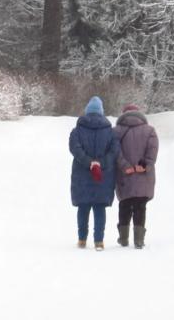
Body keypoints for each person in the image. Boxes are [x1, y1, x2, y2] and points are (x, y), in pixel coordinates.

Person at [69, 96, 119, 250]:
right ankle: (99, 241)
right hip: (102, 176)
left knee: (83, 207)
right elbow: (114, 151)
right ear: (101, 112)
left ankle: (82, 239)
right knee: (99, 208)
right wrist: (100, 163)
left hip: (81, 175)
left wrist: (89, 162)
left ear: (87, 111)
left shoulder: (77, 130)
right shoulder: (111, 132)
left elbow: (75, 149)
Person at [113, 103, 158, 249]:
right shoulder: (149, 130)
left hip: (124, 175)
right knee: (140, 206)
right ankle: (139, 240)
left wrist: (125, 166)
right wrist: (144, 165)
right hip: (143, 175)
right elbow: (152, 151)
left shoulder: (116, 132)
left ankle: (123, 238)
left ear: (124, 114)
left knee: (124, 205)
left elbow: (115, 152)